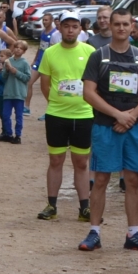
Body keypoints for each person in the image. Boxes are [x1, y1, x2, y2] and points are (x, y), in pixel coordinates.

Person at [78, 13, 138, 251]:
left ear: (132, 26)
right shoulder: (98, 56)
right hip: (106, 126)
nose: (121, 28)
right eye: (117, 24)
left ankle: (133, 233)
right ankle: (94, 232)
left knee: (132, 180)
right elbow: (88, 92)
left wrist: (131, 116)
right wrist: (117, 115)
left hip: (135, 126)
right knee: (101, 179)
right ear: (110, 26)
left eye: (126, 24)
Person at [35, 13, 97, 223]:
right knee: (55, 160)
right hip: (57, 115)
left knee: (81, 162)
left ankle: (84, 208)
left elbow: (95, 83)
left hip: (83, 114)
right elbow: (45, 85)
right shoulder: (50, 53)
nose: (70, 30)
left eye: (74, 26)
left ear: (80, 29)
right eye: (66, 26)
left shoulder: (90, 52)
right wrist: (57, 102)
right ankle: (52, 205)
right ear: (59, 28)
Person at [0, 39, 32, 143]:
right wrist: (7, 70)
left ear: (24, 51)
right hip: (8, 92)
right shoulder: (8, 61)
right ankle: (8, 134)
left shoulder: (25, 63)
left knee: (18, 116)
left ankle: (18, 135)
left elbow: (27, 78)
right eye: (16, 47)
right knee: (5, 115)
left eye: (20, 49)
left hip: (19, 93)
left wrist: (16, 72)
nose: (18, 50)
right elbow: (3, 76)